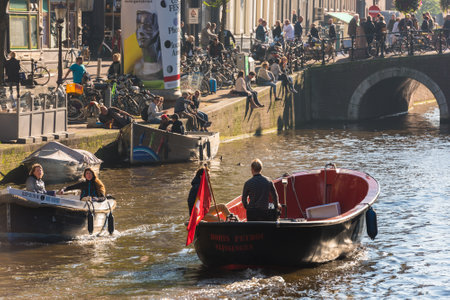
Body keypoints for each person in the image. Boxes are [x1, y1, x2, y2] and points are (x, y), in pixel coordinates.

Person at [133, 10, 162, 81]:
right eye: (138, 27)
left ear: (157, 31)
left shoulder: (164, 64)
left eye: (147, 27)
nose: (140, 32)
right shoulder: (136, 66)